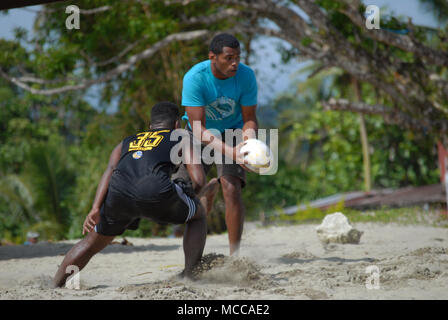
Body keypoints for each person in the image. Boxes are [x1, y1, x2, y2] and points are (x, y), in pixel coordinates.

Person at [53, 102, 219, 288]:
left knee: (91, 242)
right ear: (176, 125)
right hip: (157, 192)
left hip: (118, 196)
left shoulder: (126, 142)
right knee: (198, 216)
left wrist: (95, 208)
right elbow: (198, 179)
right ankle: (190, 275)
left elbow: (109, 171)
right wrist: (189, 198)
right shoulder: (181, 138)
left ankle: (55, 285)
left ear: (150, 126)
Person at [172, 33, 259, 256]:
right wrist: (231, 151)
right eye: (229, 58)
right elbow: (198, 129)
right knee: (182, 193)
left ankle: (235, 256)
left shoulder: (246, 76)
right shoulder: (195, 78)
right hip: (198, 133)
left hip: (232, 131)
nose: (235, 63)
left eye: (238, 57)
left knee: (231, 188)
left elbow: (249, 117)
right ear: (213, 57)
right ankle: (207, 192)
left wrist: (248, 145)